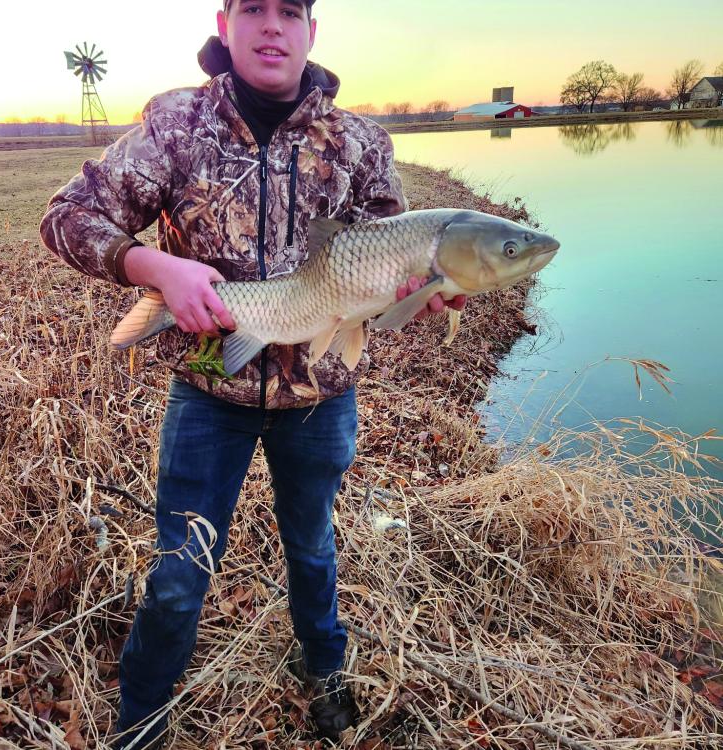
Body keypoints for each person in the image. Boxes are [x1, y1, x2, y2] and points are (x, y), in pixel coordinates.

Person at [40, 1, 464, 747]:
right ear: (226, 21)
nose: (273, 26)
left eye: (290, 11)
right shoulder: (176, 125)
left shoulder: (360, 142)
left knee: (313, 548)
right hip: (209, 391)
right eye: (255, 8)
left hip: (318, 397)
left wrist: (422, 296)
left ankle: (324, 671)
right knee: (180, 570)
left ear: (311, 30)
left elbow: (391, 282)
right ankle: (141, 718)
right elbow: (68, 216)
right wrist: (154, 267)